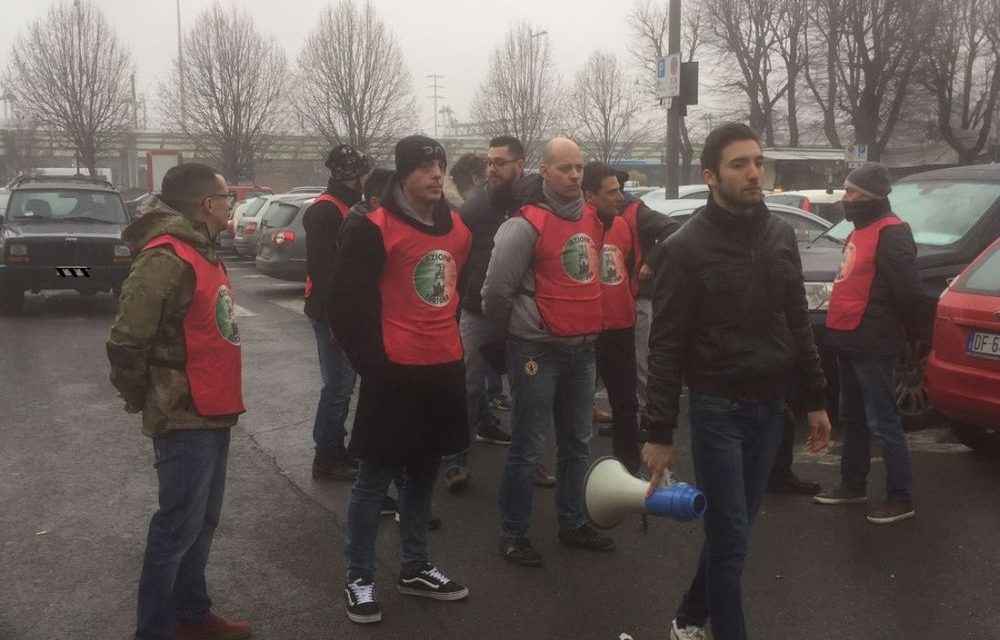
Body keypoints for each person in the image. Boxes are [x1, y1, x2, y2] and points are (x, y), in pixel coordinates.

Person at [641, 123, 832, 640]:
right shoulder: (685, 249)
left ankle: (687, 617)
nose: (754, 173)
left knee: (735, 534)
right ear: (710, 176)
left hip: (771, 411)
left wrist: (814, 398)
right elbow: (665, 347)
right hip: (717, 410)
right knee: (730, 540)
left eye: (757, 161)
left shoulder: (780, 235)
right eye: (739, 164)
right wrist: (657, 432)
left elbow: (796, 321)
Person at [329, 135, 471, 624]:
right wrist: (378, 367)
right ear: (404, 174)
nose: (436, 174)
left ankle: (414, 567)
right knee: (374, 482)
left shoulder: (458, 231)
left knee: (425, 474)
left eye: (441, 166)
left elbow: (454, 295)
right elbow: (344, 309)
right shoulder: (374, 229)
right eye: (426, 167)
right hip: (393, 377)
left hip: (443, 372)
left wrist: (451, 353)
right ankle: (360, 577)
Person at [107, 163, 251, 640]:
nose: (232, 202)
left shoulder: (201, 249)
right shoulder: (165, 257)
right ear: (207, 205)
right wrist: (142, 395)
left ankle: (192, 616)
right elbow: (128, 340)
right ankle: (153, 632)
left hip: (213, 408)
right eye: (227, 196)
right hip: (184, 413)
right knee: (175, 529)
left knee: (201, 523)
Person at [484, 137, 616, 567]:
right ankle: (513, 533)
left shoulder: (593, 220)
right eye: (565, 168)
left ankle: (573, 522)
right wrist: (516, 336)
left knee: (578, 444)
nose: (575, 176)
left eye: (578, 167)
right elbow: (496, 292)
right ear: (544, 172)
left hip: (582, 350)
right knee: (527, 445)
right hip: (538, 352)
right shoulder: (523, 225)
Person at [814, 162, 920, 524]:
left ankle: (900, 496)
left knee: (884, 420)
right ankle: (852, 484)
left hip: (874, 342)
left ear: (871, 196)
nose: (845, 198)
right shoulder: (859, 230)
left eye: (851, 192)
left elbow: (907, 292)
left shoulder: (892, 233)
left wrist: (912, 339)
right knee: (852, 417)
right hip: (849, 339)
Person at [441, 135, 529, 493]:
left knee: (528, 392)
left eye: (500, 162)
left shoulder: (533, 206)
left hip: (522, 316)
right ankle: (455, 460)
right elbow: (455, 262)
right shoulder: (472, 211)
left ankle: (529, 462)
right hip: (477, 314)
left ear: (519, 165)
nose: (491, 169)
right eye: (489, 162)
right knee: (467, 386)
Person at [583, 162, 678, 473]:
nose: (620, 196)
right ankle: (581, 474)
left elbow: (630, 264)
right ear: (589, 196)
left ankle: (628, 468)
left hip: (621, 327)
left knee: (625, 406)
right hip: (585, 330)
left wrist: (648, 264)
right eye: (612, 192)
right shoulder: (577, 226)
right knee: (578, 407)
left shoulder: (625, 225)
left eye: (620, 190)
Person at [302, 144, 370, 481]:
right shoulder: (325, 211)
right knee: (339, 384)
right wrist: (335, 320)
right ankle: (326, 454)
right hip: (331, 312)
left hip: (346, 311)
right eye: (363, 172)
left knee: (344, 382)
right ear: (354, 176)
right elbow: (323, 270)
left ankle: (335, 449)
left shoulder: (349, 206)